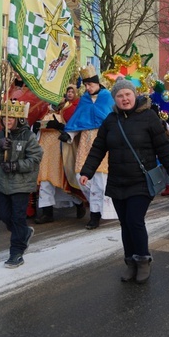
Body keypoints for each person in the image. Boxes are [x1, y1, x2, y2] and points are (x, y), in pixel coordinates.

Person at [79, 78, 169, 284]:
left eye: (127, 94)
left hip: (141, 181)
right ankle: (130, 262)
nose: (124, 99)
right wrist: (87, 171)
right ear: (114, 99)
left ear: (134, 95)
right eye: (119, 95)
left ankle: (143, 260)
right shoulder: (110, 121)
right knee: (125, 224)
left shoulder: (149, 117)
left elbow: (163, 148)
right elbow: (98, 148)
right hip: (118, 180)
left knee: (135, 220)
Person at [59, 65, 114, 229]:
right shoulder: (84, 99)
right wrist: (69, 134)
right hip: (85, 142)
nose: (87, 88)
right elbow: (78, 120)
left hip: (103, 142)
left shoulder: (107, 97)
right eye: (86, 85)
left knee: (101, 179)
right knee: (82, 177)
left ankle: (98, 214)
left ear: (97, 83)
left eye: (90, 84)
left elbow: (113, 120)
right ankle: (96, 209)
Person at [0, 100, 43, 268]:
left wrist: (16, 166)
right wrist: (0, 148)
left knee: (18, 217)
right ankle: (24, 233)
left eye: (12, 118)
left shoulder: (27, 136)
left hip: (21, 183)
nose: (8, 121)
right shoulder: (1, 134)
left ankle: (16, 252)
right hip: (4, 183)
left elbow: (35, 159)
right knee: (5, 216)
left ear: (19, 119)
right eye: (5, 117)